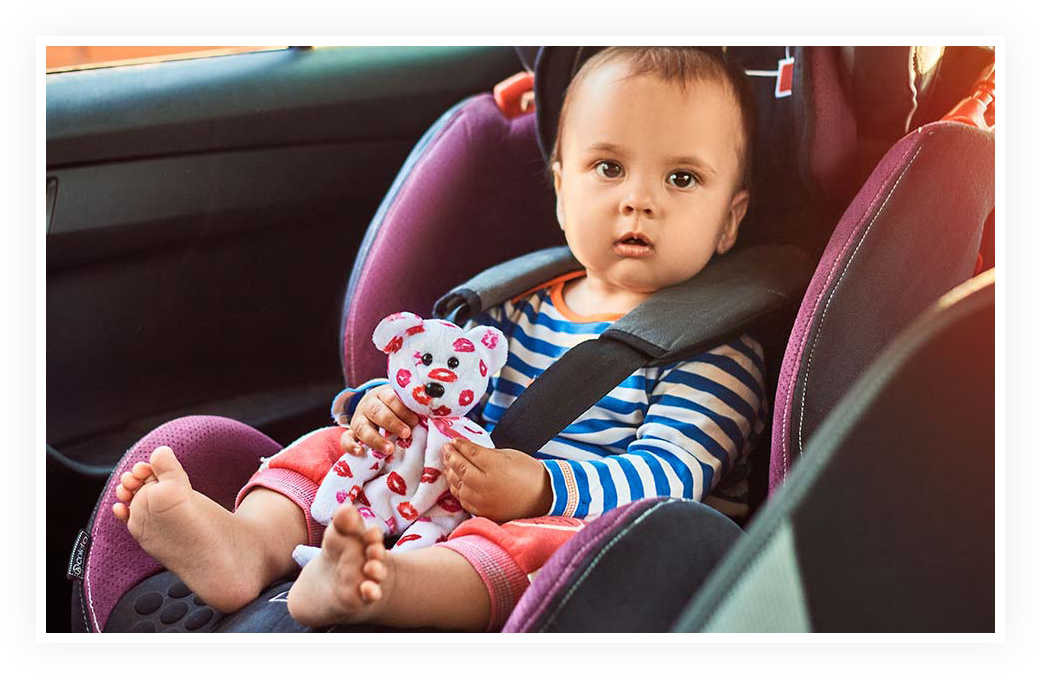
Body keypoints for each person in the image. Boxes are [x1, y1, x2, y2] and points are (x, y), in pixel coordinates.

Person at [113, 46, 765, 632]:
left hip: (571, 524)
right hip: (448, 479)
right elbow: (438, 382)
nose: (638, 200)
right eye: (608, 167)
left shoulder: (713, 348)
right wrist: (382, 411)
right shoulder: (516, 304)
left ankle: (382, 588)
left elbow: (669, 479)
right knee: (329, 447)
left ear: (728, 219)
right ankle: (246, 544)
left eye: (681, 178)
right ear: (561, 187)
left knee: (528, 551)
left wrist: (540, 487)